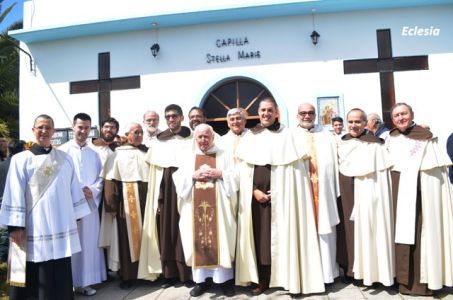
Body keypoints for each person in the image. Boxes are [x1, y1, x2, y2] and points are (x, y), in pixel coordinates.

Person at [235, 97, 324, 295]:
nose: (266, 114)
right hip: (255, 198)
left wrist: (281, 191)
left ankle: (288, 278)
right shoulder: (250, 136)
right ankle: (262, 279)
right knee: (259, 239)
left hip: (284, 198)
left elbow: (297, 173)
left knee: (285, 235)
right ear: (257, 113)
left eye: (269, 110)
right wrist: (253, 191)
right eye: (262, 110)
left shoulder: (289, 135)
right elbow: (242, 170)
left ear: (276, 113)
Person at [0, 114, 90, 300]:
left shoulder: (65, 159)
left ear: (53, 132)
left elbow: (73, 190)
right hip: (33, 228)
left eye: (48, 127)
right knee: (33, 272)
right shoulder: (20, 159)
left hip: (60, 227)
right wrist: (16, 227)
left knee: (60, 270)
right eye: (40, 127)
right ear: (33, 130)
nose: (44, 131)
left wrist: (77, 217)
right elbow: (14, 192)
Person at [387, 102, 453, 295]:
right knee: (402, 237)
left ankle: (425, 283)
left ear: (412, 114)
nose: (401, 118)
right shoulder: (391, 139)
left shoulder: (426, 138)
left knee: (424, 237)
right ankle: (404, 283)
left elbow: (435, 174)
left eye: (404, 114)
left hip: (423, 198)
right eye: (397, 115)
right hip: (399, 196)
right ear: (392, 120)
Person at [173, 124, 238, 297]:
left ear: (213, 137)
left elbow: (235, 176)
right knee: (197, 241)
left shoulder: (223, 154)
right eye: (200, 137)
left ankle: (224, 282)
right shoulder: (188, 156)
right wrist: (191, 176)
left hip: (219, 209)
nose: (203, 140)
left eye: (206, 136)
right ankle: (201, 282)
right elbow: (178, 178)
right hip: (193, 208)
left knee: (221, 240)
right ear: (195, 138)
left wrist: (221, 174)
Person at [336, 108, 394, 287]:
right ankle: (351, 270)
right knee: (348, 230)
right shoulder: (340, 143)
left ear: (365, 123)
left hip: (369, 192)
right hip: (346, 191)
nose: (354, 125)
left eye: (358, 122)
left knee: (370, 228)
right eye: (351, 122)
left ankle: (372, 271)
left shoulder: (375, 144)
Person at [138, 104, 193, 286]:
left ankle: (188, 275)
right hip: (166, 192)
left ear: (181, 117)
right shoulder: (159, 141)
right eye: (168, 116)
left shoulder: (191, 138)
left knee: (186, 230)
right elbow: (154, 171)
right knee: (167, 231)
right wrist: (158, 198)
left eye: (174, 116)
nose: (171, 119)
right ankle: (169, 275)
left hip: (186, 190)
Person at [59, 113, 106, 296]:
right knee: (70, 244)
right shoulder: (62, 152)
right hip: (69, 206)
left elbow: (100, 179)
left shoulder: (94, 154)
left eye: (87, 128)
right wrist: (74, 192)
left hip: (89, 206)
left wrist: (93, 190)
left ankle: (85, 282)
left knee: (87, 244)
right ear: (73, 126)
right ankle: (68, 283)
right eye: (80, 127)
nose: (83, 131)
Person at [293, 103, 340, 284]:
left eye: (310, 113)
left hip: (324, 191)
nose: (306, 116)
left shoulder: (327, 136)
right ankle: (307, 275)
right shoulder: (291, 136)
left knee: (326, 232)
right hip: (302, 192)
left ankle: (329, 274)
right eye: (303, 112)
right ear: (298, 115)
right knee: (304, 231)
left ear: (316, 115)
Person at [102, 123, 149, 289]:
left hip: (146, 202)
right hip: (127, 203)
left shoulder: (146, 151)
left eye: (141, 132)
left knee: (148, 238)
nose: (139, 135)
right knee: (126, 241)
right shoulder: (117, 154)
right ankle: (128, 276)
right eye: (135, 132)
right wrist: (111, 206)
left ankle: (147, 274)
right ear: (127, 135)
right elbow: (110, 181)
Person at [92, 117, 121, 274]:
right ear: (101, 129)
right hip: (92, 195)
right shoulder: (92, 147)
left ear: (116, 130)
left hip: (109, 195)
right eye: (106, 127)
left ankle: (108, 268)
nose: (109, 130)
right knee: (94, 233)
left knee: (108, 233)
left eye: (112, 127)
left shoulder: (118, 149)